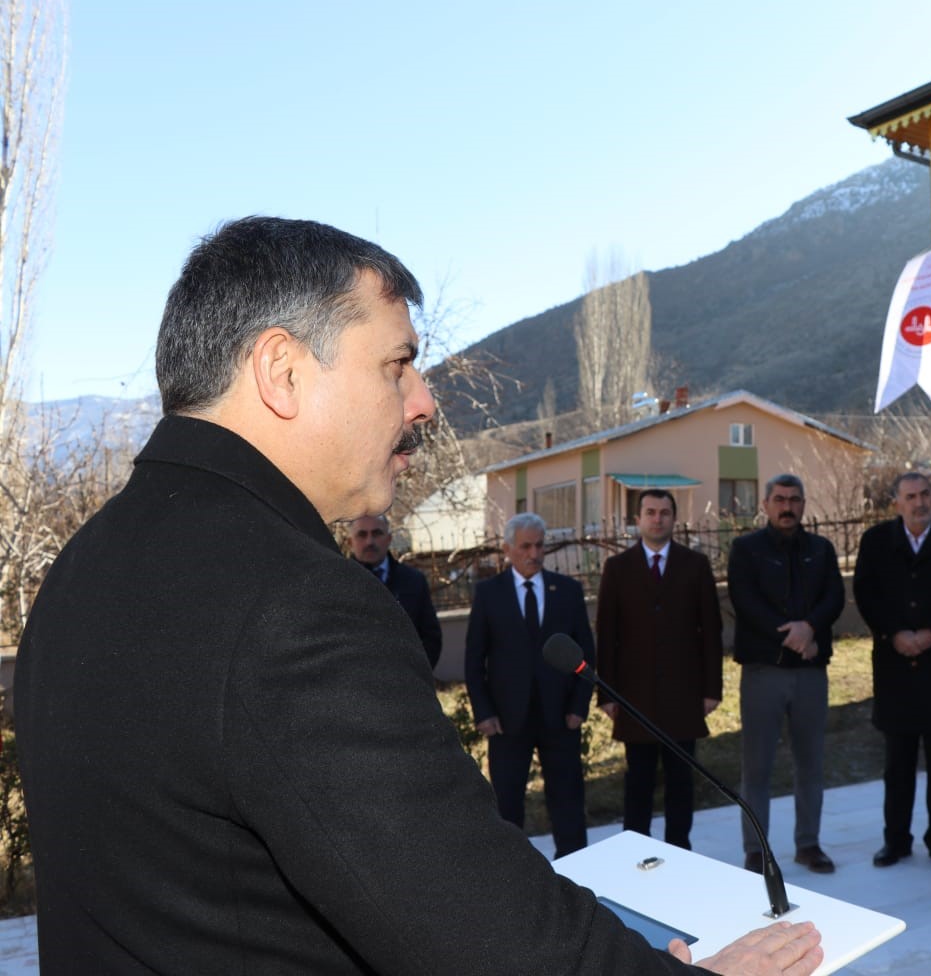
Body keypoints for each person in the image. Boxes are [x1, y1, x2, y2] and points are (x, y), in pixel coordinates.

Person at [13, 216, 820, 973]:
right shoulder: (295, 606)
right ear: (282, 371)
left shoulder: (87, 565)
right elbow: (478, 923)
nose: (424, 400)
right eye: (396, 365)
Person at [853, 471, 931, 870]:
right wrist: (893, 633)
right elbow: (865, 593)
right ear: (896, 502)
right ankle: (896, 841)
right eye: (910, 496)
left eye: (925, 494)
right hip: (895, 672)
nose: (919, 502)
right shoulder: (875, 542)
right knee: (898, 765)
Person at [729, 474, 846, 874]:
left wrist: (810, 627)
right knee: (757, 767)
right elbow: (746, 602)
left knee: (810, 762)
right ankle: (755, 850)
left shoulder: (821, 549)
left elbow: (834, 597)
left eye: (794, 499)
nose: (787, 507)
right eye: (780, 499)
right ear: (765, 504)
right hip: (764, 673)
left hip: (811, 674)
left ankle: (808, 844)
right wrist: (796, 636)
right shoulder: (746, 550)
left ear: (803, 504)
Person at [595, 488, 724, 850]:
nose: (657, 519)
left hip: (684, 697)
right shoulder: (617, 569)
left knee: (681, 783)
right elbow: (606, 635)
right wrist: (606, 693)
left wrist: (712, 689)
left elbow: (711, 631)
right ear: (637, 520)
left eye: (664, 512)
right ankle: (636, 852)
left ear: (673, 518)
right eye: (650, 512)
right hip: (634, 698)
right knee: (638, 783)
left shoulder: (695, 565)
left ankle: (680, 853)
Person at [466, 512, 594, 859]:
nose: (534, 553)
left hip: (560, 717)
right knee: (507, 807)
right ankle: (512, 883)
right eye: (525, 546)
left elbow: (586, 654)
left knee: (568, 803)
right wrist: (485, 712)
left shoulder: (567, 591)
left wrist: (578, 707)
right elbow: (474, 660)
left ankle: (578, 877)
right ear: (508, 549)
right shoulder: (489, 594)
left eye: (539, 545)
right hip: (507, 721)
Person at [348, 513, 444, 667]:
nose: (369, 541)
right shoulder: (338, 584)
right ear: (350, 542)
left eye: (377, 533)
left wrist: (416, 676)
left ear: (389, 539)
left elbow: (430, 637)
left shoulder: (413, 581)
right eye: (362, 534)